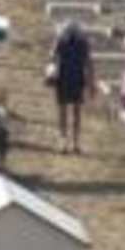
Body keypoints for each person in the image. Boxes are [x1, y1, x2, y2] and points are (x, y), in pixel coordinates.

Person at [49, 18, 91, 153]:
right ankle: (75, 143)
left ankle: (64, 142)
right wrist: (91, 83)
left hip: (63, 78)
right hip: (77, 78)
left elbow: (52, 56)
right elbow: (88, 63)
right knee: (76, 112)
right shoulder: (83, 43)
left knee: (63, 112)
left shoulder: (61, 41)